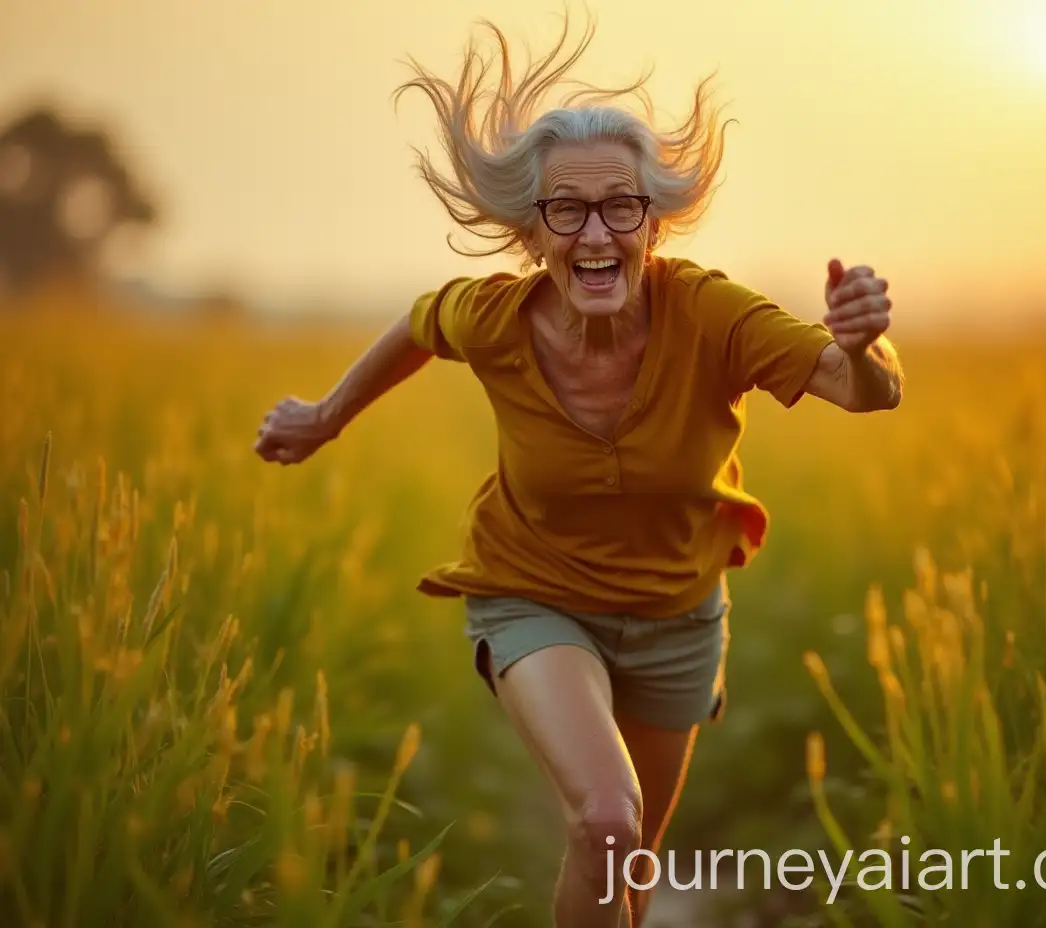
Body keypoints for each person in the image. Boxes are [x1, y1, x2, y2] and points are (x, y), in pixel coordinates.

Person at [253, 10, 903, 927]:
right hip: (535, 594)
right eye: (567, 210)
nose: (596, 234)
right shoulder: (494, 318)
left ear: (653, 222)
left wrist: (867, 346)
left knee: (628, 864)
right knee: (605, 820)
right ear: (532, 229)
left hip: (679, 613)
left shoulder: (713, 313)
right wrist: (324, 416)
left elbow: (863, 392)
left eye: (621, 208)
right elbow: (416, 326)